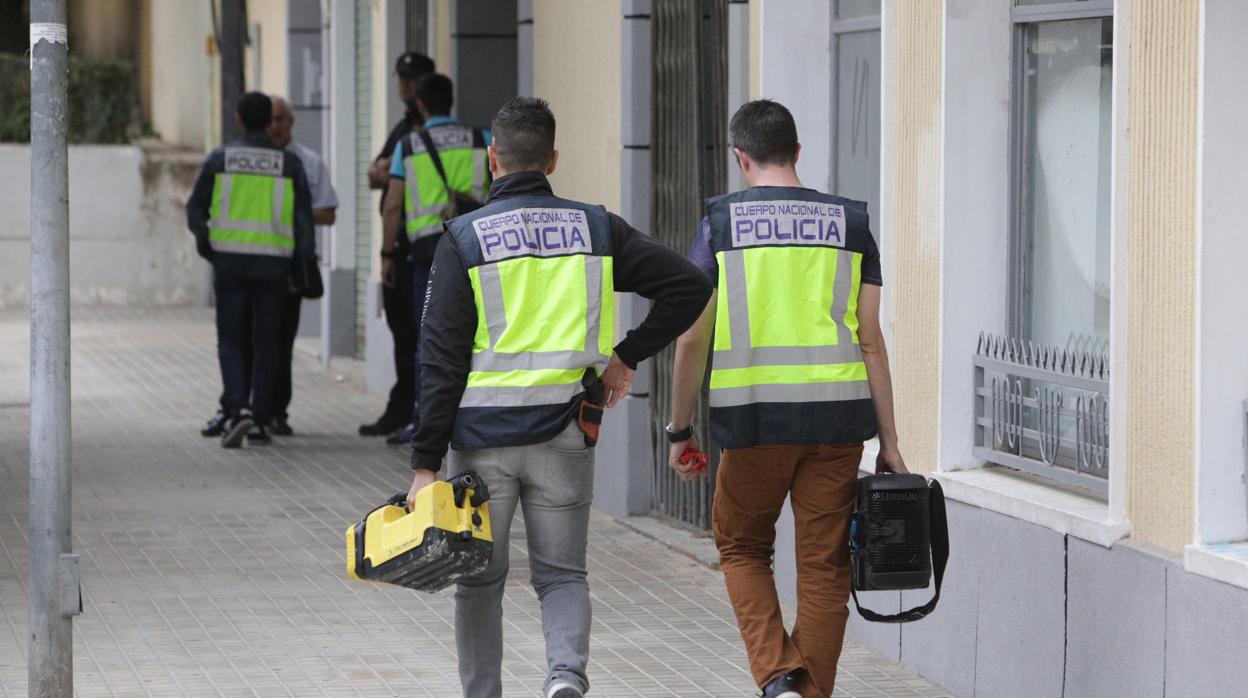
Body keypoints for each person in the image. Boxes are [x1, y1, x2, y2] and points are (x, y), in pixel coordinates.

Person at [406, 97, 711, 698]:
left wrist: (422, 465)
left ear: (492, 159)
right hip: (565, 435)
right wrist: (627, 356)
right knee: (563, 575)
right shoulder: (596, 228)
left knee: (479, 582)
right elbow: (689, 285)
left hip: (481, 445)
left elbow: (439, 362)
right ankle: (564, 677)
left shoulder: (462, 239)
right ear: (552, 158)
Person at [665, 100, 907, 698]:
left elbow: (694, 333)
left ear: (740, 157)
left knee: (744, 545)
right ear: (798, 152)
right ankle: (806, 693)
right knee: (825, 568)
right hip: (839, 423)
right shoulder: (852, 225)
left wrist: (679, 428)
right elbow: (870, 340)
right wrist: (891, 443)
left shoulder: (720, 224)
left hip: (754, 422)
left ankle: (778, 679)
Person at [187, 92, 315, 448]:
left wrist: (209, 248)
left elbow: (194, 212)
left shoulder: (219, 159)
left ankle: (238, 408)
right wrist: (299, 270)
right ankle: (260, 420)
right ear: (268, 122)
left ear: (239, 120)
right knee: (267, 343)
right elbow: (303, 225)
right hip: (274, 265)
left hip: (230, 264)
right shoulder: (289, 164)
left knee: (231, 340)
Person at [381, 72, 490, 445]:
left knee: (429, 337)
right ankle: (473, 412)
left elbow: (393, 203)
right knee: (478, 333)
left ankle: (424, 421)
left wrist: (386, 255)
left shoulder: (410, 145)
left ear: (422, 104)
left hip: (429, 252)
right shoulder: (482, 139)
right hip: (479, 245)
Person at [359, 51, 437, 439]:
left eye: (411, 78)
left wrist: (387, 253)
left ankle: (415, 413)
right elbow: (375, 174)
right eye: (401, 77)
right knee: (404, 331)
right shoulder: (403, 127)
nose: (404, 85)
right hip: (409, 247)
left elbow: (389, 187)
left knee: (418, 333)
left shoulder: (424, 130)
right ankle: (403, 406)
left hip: (416, 245)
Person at [265, 96, 338, 435]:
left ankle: (277, 411)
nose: (274, 126)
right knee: (252, 341)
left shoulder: (308, 162)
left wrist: (292, 214)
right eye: (269, 120)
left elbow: (328, 212)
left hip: (290, 267)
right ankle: (251, 408)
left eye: (280, 119)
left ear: (292, 122)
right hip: (253, 266)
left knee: (280, 342)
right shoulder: (252, 161)